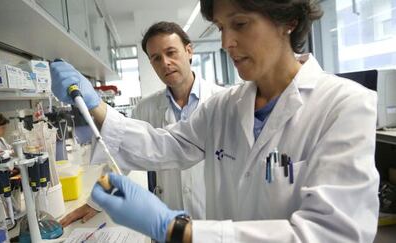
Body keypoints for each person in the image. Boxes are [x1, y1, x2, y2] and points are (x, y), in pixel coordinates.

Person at [50, 0, 380, 242]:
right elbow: (169, 144)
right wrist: (94, 106)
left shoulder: (345, 105)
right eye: (222, 28)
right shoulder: (224, 106)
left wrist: (177, 229)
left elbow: (335, 235)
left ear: (288, 20)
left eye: (240, 24)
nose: (226, 43)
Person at [58, 21, 224, 227]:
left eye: (171, 52)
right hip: (169, 216)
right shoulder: (146, 108)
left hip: (214, 218)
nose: (165, 63)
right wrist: (97, 201)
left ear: (189, 51)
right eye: (156, 58)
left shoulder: (221, 101)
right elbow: (120, 158)